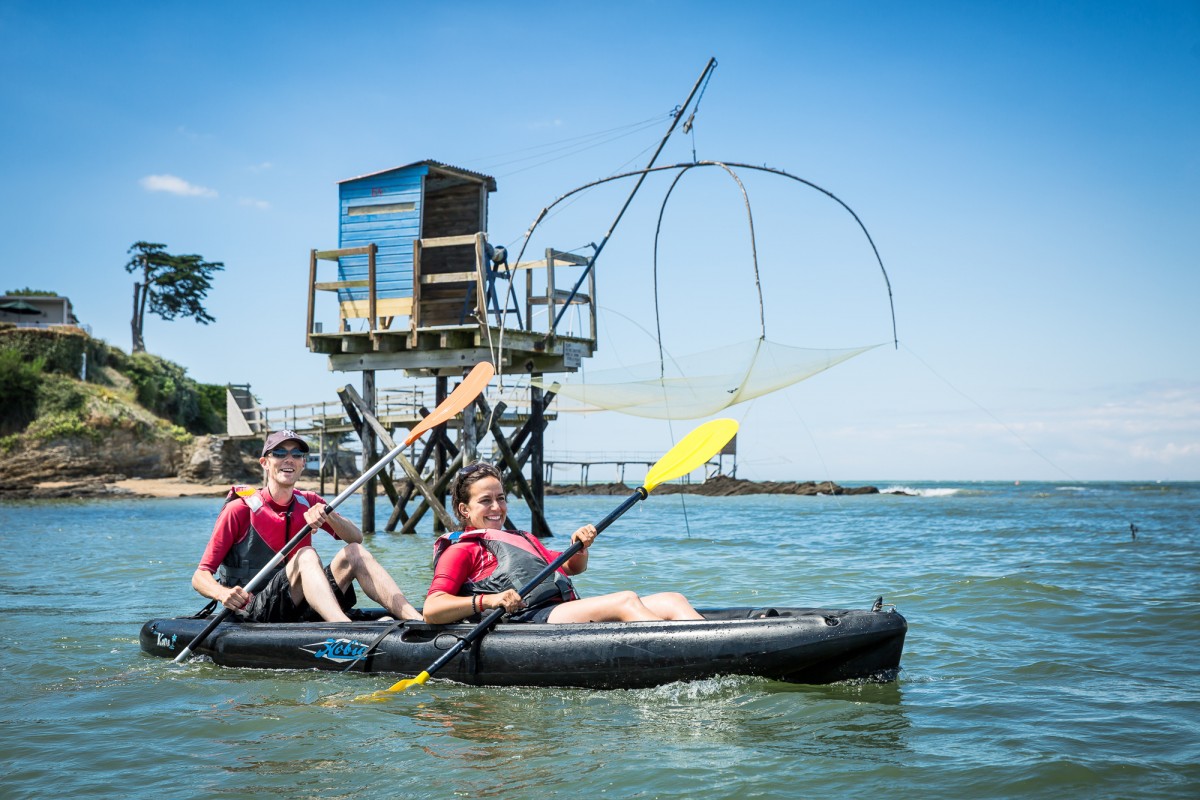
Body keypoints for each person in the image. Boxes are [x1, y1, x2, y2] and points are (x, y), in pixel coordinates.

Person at [422, 463, 704, 625]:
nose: (497, 507)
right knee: (625, 599)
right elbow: (433, 609)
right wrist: (491, 600)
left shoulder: (521, 538)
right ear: (464, 510)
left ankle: (714, 645)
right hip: (528, 622)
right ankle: (691, 654)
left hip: (559, 612)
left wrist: (579, 546)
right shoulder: (462, 549)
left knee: (671, 599)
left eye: (501, 498)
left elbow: (570, 567)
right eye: (485, 501)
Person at [192, 429, 422, 623]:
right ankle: (343, 627)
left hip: (300, 603)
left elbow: (356, 538)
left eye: (297, 454)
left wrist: (329, 516)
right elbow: (200, 576)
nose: (288, 459)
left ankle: (415, 619)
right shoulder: (239, 510)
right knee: (306, 554)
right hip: (255, 608)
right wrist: (222, 593)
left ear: (303, 463)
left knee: (354, 552)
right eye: (279, 453)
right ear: (265, 463)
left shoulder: (310, 501)